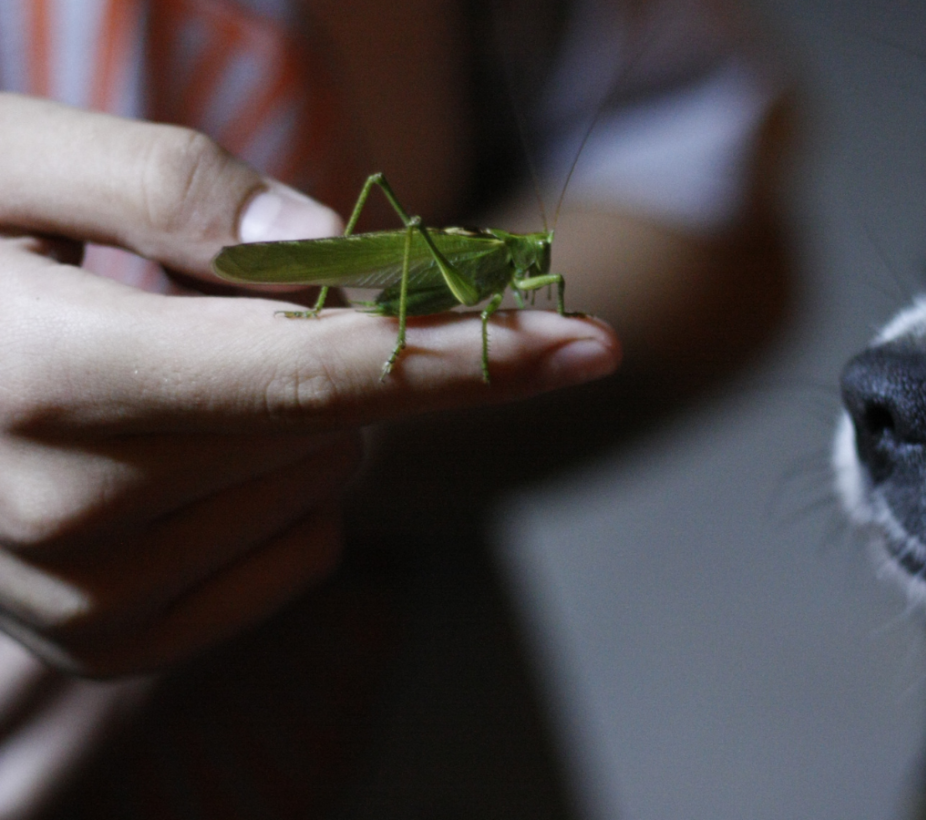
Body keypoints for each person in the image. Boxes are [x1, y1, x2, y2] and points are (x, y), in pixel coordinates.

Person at [0, 0, 791, 815]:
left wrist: (371, 423)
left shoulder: (525, 249)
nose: (539, 273)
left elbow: (706, 190)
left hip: (368, 685)